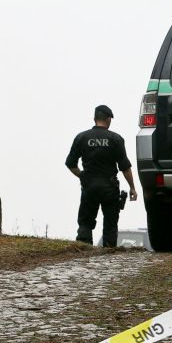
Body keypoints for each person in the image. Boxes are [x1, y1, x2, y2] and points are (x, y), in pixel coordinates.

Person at [65, 104, 137, 246]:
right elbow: (125, 167)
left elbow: (70, 163)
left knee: (85, 221)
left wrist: (82, 176)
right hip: (109, 187)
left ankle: (83, 249)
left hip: (89, 186)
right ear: (109, 119)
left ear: (94, 118)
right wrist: (132, 188)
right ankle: (108, 254)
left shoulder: (82, 137)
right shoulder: (116, 139)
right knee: (110, 223)